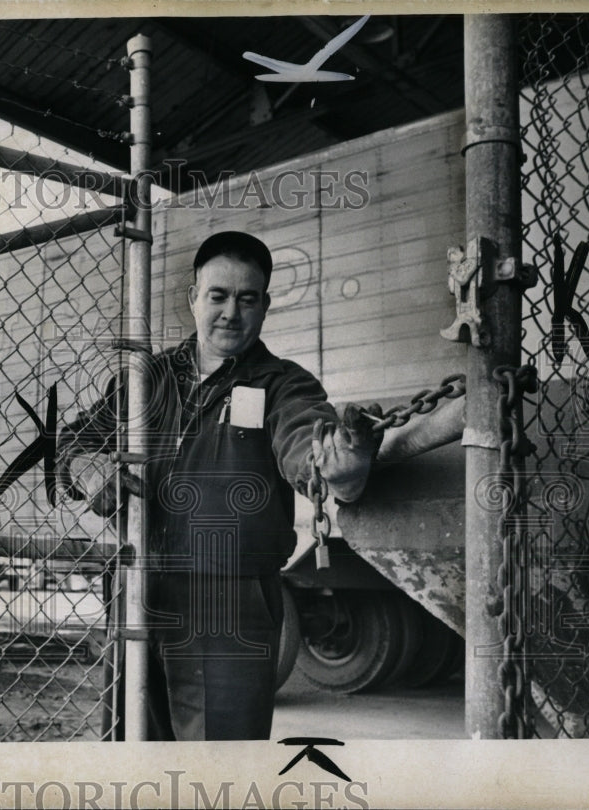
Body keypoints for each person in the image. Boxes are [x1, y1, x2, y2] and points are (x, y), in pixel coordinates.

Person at [57, 231, 381, 740]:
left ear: (265, 306)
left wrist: (335, 462)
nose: (232, 311)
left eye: (247, 298)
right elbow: (74, 441)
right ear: (193, 299)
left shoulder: (283, 384)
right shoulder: (150, 378)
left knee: (216, 770)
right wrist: (89, 468)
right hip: (138, 586)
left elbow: (304, 441)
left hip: (227, 603)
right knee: (133, 751)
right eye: (218, 295)